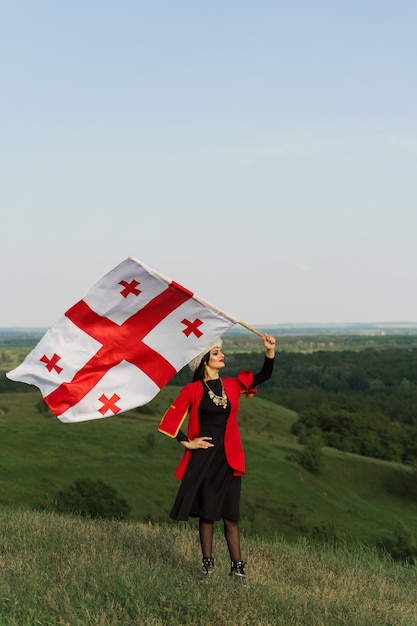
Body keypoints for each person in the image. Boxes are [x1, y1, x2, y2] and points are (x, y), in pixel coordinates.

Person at [158, 332, 276, 578]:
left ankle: (238, 568)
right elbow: (169, 420)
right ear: (204, 361)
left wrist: (269, 351)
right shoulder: (192, 390)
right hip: (206, 460)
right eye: (216, 353)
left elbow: (264, 375)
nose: (222, 356)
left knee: (231, 516)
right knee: (209, 515)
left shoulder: (232, 385)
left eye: (220, 352)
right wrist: (188, 443)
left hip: (230, 458)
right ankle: (208, 566)